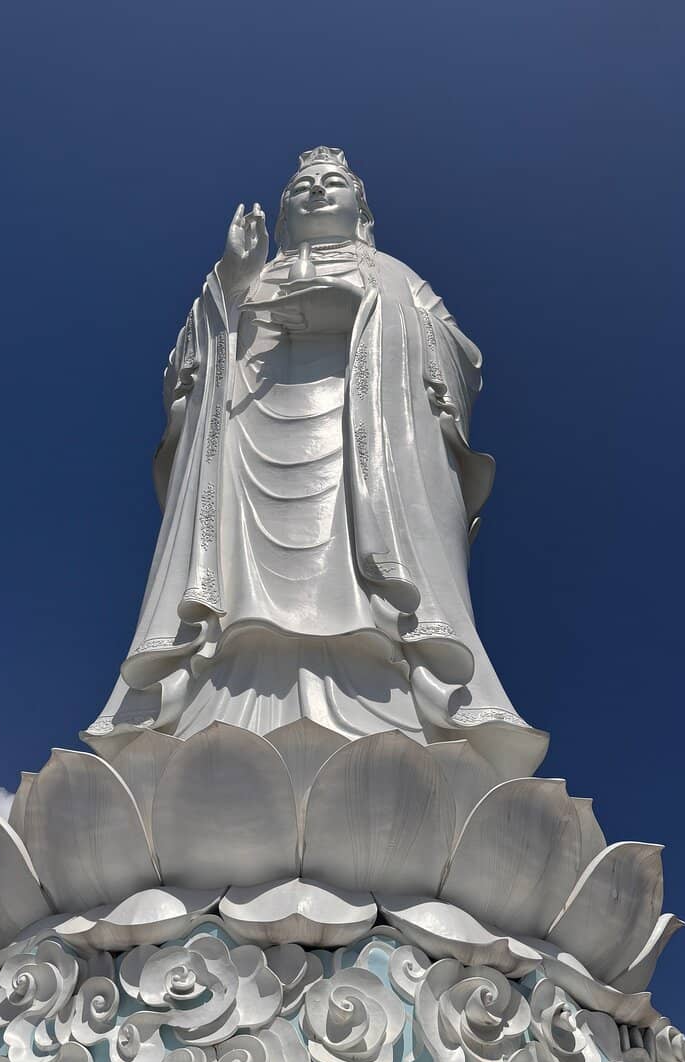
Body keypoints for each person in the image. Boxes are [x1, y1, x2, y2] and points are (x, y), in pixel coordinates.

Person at [85, 147, 546, 777]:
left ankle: (402, 726)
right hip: (245, 456)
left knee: (371, 600)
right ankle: (210, 726)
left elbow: (459, 361)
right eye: (302, 188)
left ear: (361, 207)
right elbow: (186, 378)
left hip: (368, 464)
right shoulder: (246, 277)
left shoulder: (393, 276)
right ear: (282, 212)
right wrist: (228, 289)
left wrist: (362, 316)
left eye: (333, 184)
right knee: (234, 603)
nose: (317, 193)